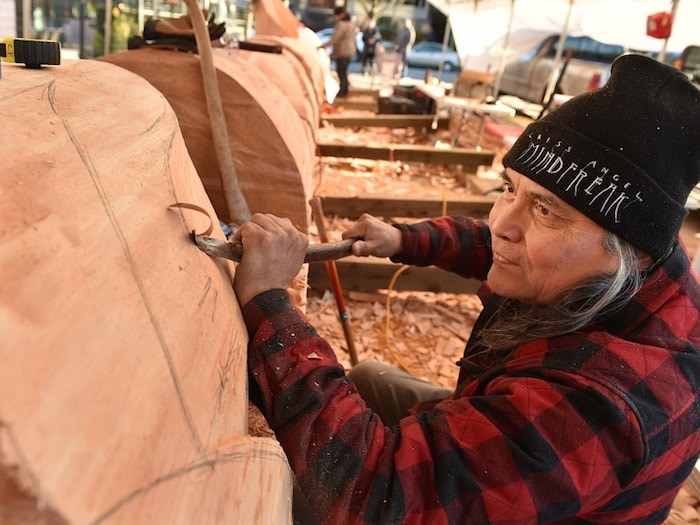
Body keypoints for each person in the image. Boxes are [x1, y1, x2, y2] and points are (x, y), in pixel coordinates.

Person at [232, 53, 700, 524]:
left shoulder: (603, 408)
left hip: (535, 493)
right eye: (509, 188)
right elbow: (497, 243)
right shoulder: (634, 262)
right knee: (372, 376)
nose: (501, 222)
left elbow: (382, 494)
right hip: (530, 443)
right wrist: (403, 239)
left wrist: (272, 305)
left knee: (293, 500)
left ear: (630, 253)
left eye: (544, 210)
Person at [319, 6, 356, 98]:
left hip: (342, 51)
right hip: (349, 51)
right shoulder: (351, 23)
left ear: (341, 15)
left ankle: (342, 92)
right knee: (344, 72)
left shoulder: (341, 24)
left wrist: (323, 46)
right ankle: (344, 91)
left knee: (341, 72)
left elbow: (335, 38)